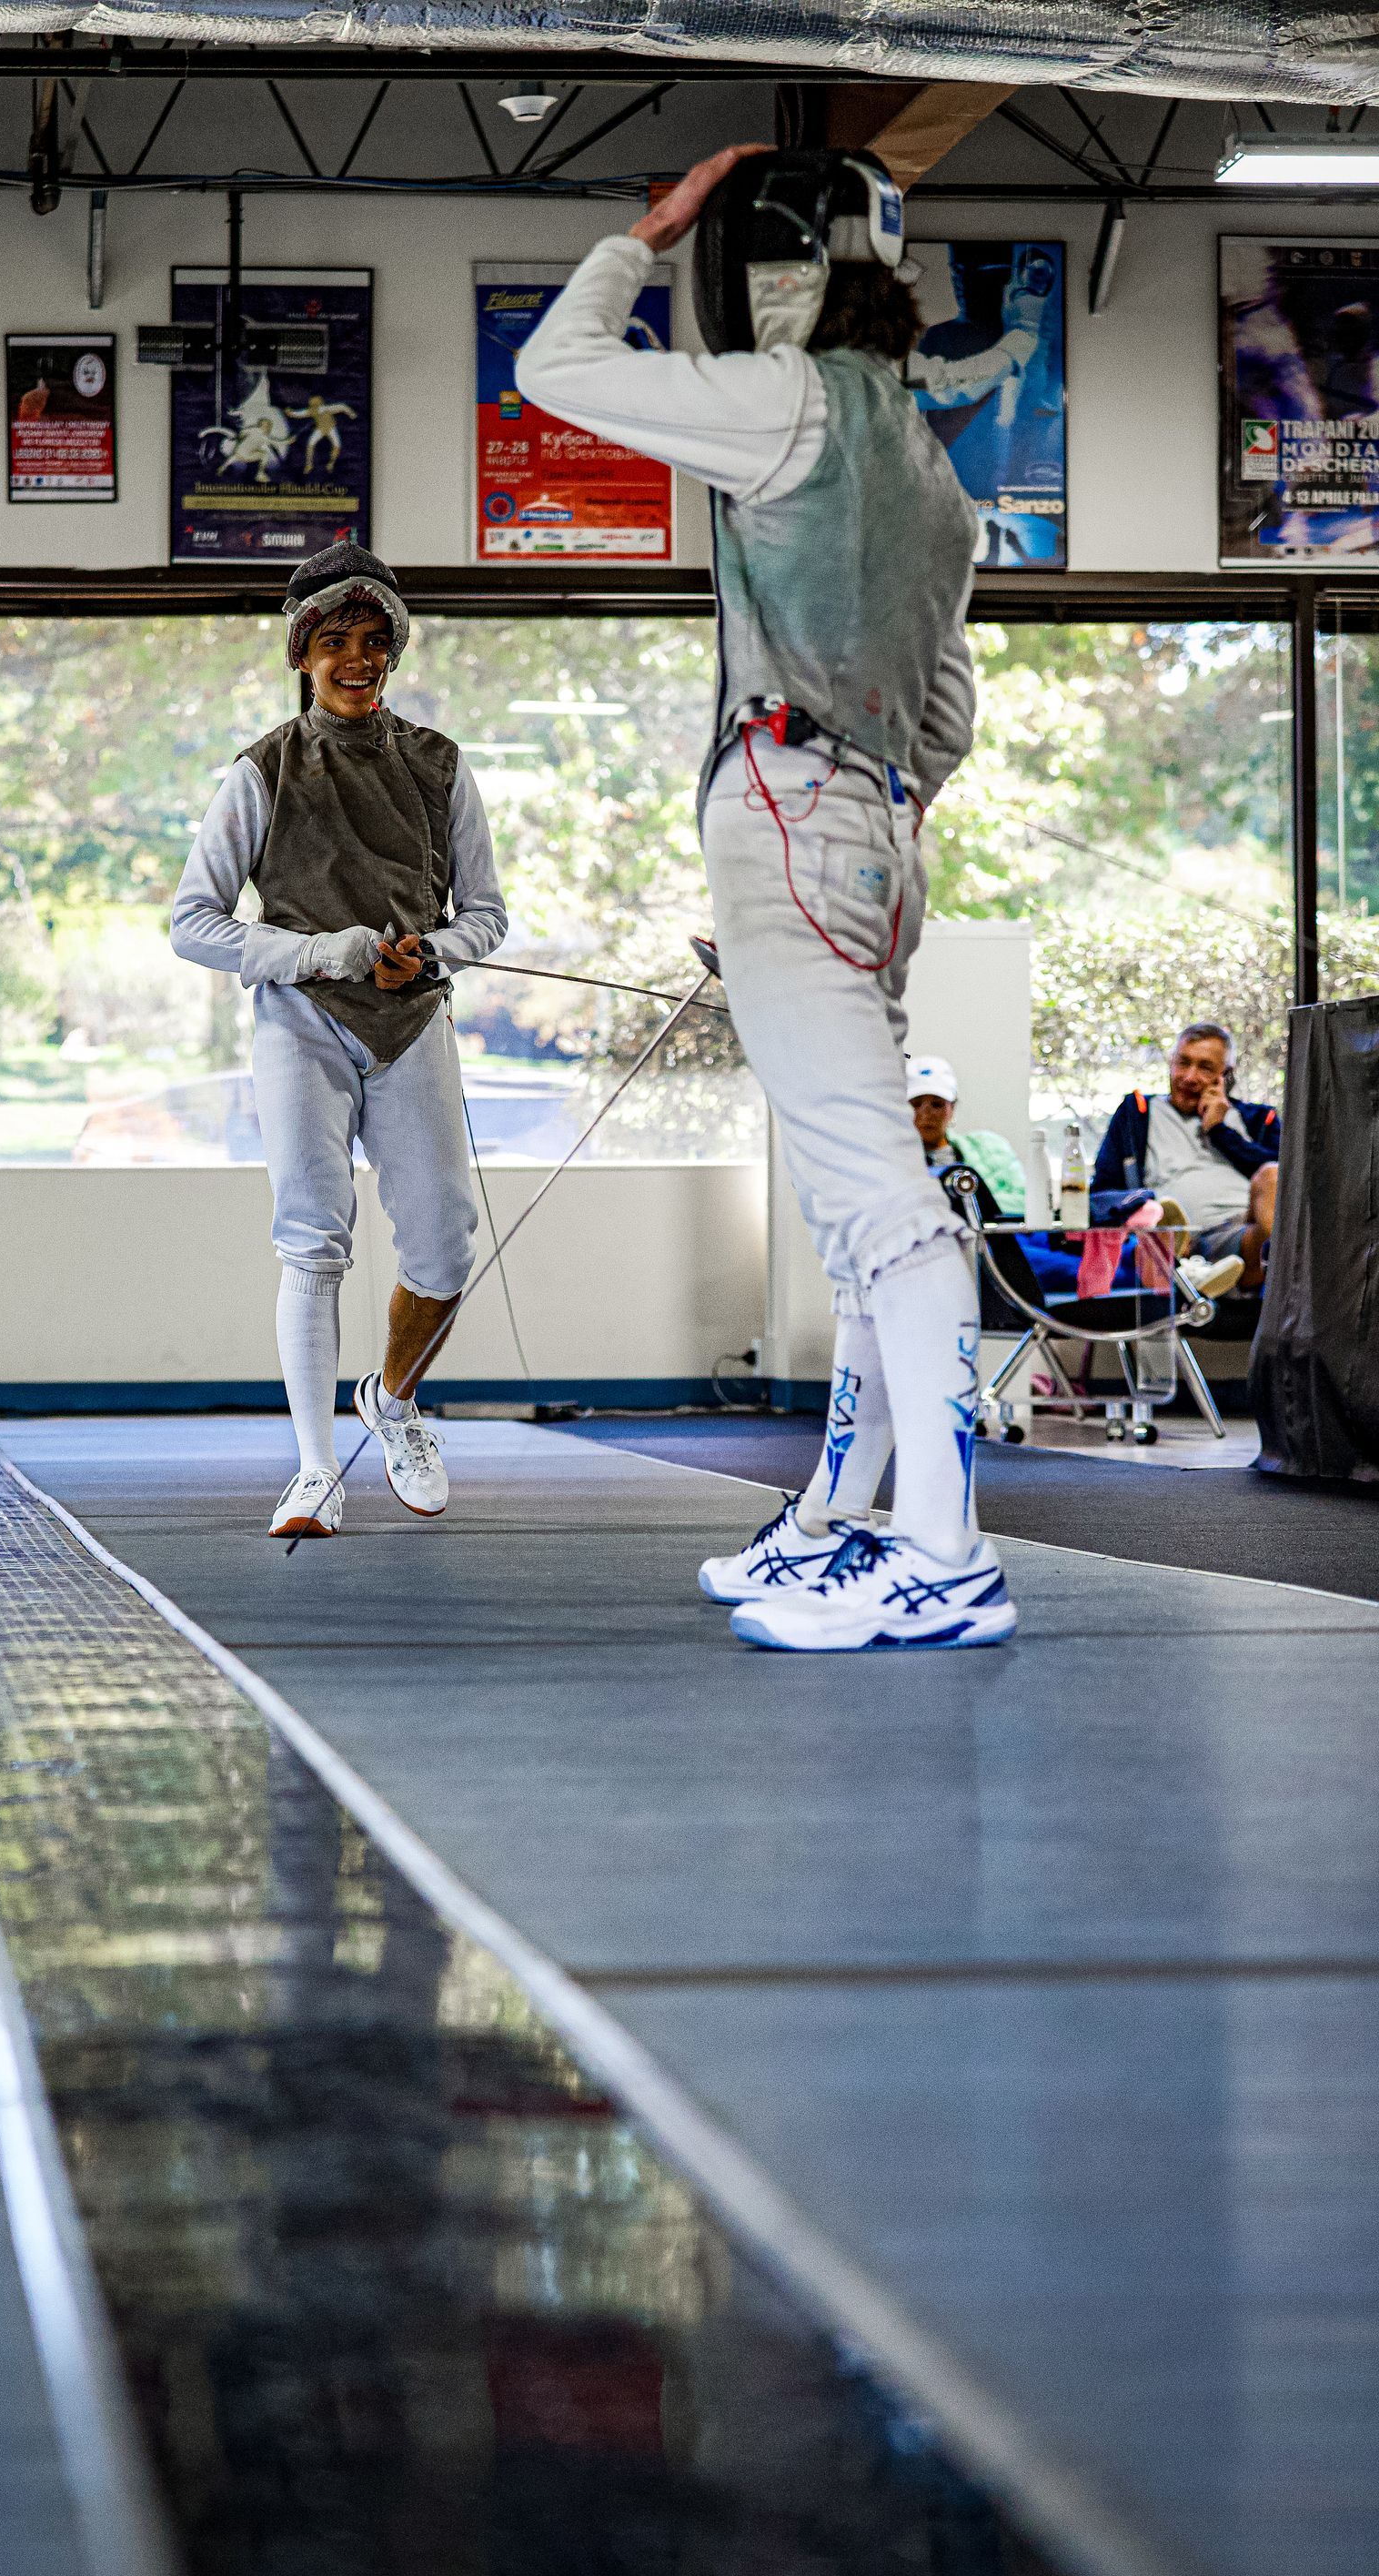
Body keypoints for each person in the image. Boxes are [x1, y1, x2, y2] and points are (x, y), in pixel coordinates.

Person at [517, 142, 1013, 1652]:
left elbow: (555, 368)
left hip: (796, 816)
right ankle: (841, 1525)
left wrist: (645, 234)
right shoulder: (933, 472)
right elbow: (947, 720)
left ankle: (947, 1558)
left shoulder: (790, 401)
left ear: (780, 277)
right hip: (869, 840)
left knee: (885, 1207)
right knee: (863, 1209)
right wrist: (855, 832)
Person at [170, 542, 508, 1538]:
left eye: (373, 641)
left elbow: (487, 915)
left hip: (412, 1023)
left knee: (444, 1243)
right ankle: (316, 1471)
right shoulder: (263, 769)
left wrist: (429, 952)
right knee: (313, 1240)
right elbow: (193, 924)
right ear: (303, 654)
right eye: (335, 643)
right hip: (301, 1024)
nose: (356, 659)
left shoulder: (439, 765)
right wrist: (321, 952)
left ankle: (393, 1402)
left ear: (392, 652)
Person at [1092, 1022, 1280, 1298]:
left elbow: (1290, 1183)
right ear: (1171, 1064)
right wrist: (1144, 1210)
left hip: (1243, 1234)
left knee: (1273, 1175)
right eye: (1183, 1063)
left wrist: (1219, 1131)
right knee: (1161, 1226)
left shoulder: (1258, 1119)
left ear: (1225, 1076)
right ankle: (1193, 1274)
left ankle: (1202, 1277)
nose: (1190, 1077)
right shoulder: (1137, 1114)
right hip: (1173, 1235)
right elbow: (1103, 1189)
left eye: (1205, 1068)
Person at [907, 1053, 1022, 1221]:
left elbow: (1027, 1201)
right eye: (916, 1104)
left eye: (937, 1104)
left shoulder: (989, 1147)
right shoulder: (890, 1159)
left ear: (952, 1108)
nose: (926, 1113)